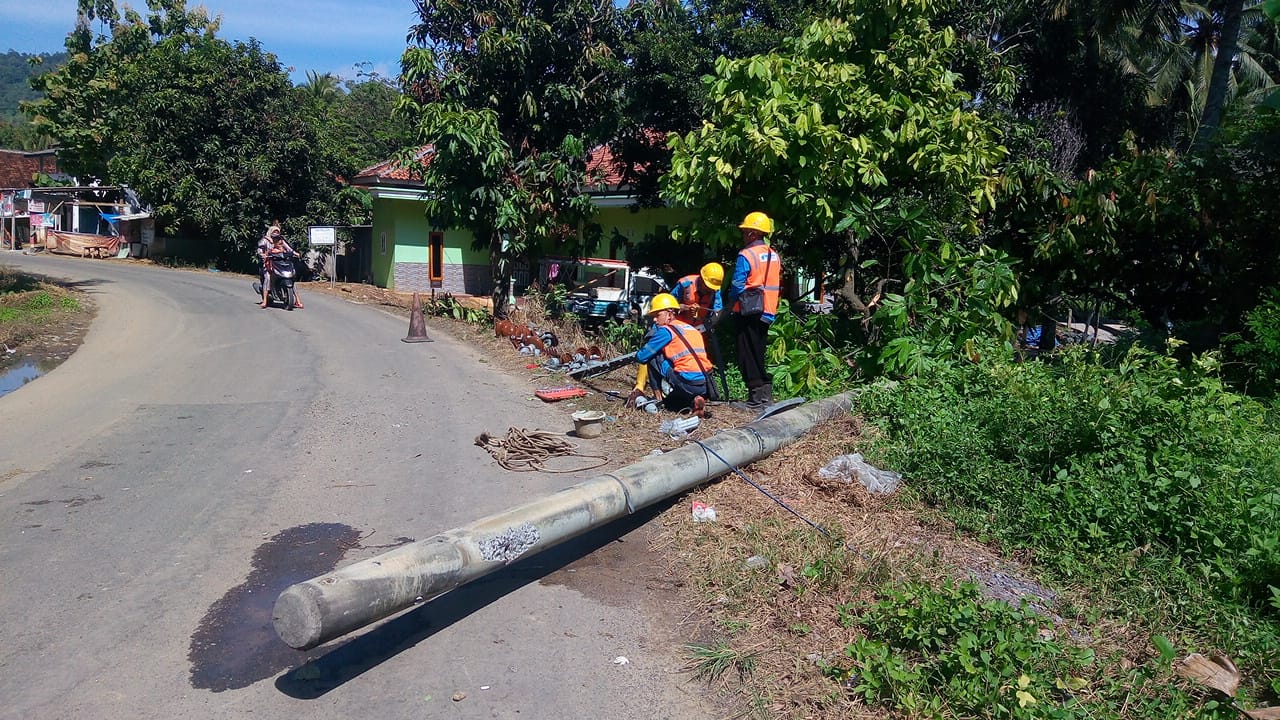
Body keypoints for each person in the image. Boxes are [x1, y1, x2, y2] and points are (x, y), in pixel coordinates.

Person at [725, 211, 781, 410]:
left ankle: (756, 398)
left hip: (748, 310)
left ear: (752, 233)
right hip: (767, 310)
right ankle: (766, 395)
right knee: (758, 351)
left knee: (746, 353)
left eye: (745, 231)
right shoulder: (773, 255)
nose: (743, 234)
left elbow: (738, 284)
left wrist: (730, 305)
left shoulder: (746, 254)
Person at [628, 293, 713, 416]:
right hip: (705, 384)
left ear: (670, 313)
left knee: (652, 356)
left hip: (687, 382)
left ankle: (658, 399)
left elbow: (642, 357)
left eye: (657, 315)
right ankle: (696, 398)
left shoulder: (666, 331)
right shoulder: (692, 329)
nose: (655, 320)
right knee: (672, 403)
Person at [257, 225, 303, 309]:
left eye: (277, 232)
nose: (276, 234)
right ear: (270, 232)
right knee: (268, 277)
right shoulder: (265, 240)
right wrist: (263, 255)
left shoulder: (280, 240)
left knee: (291, 279)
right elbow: (260, 250)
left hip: (281, 263)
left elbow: (289, 249)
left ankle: (298, 300)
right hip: (269, 263)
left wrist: (295, 253)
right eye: (274, 232)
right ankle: (264, 301)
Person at [670, 262, 724, 330]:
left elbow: (718, 311)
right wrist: (678, 307)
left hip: (700, 328)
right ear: (701, 278)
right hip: (679, 325)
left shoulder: (715, 290)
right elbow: (668, 304)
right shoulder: (685, 284)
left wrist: (705, 326)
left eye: (712, 288)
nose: (709, 289)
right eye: (707, 286)